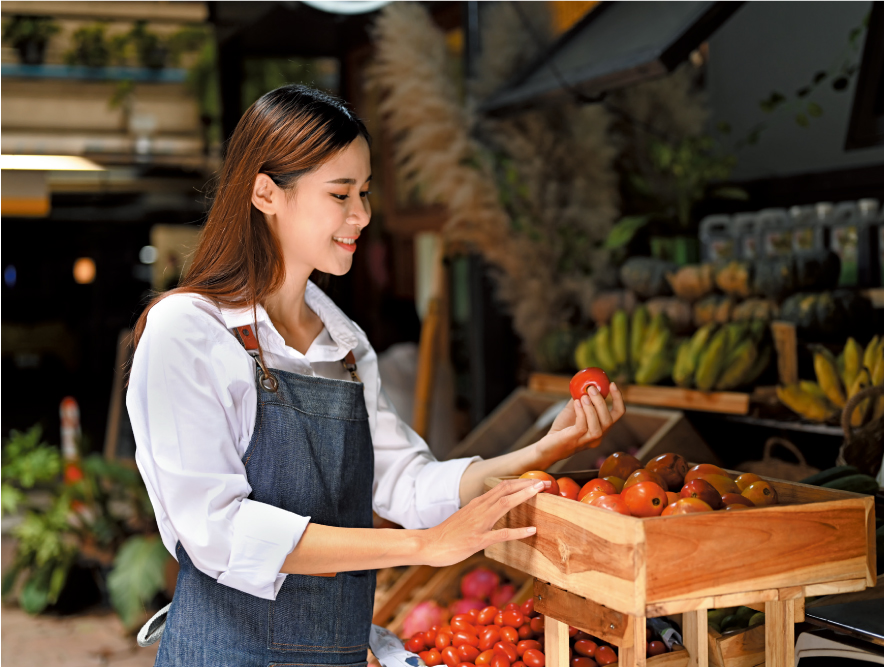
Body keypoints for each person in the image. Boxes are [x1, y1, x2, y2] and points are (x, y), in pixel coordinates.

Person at [126, 84, 625, 667]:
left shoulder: (344, 342)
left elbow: (407, 486)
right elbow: (218, 531)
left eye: (363, 192)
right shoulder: (187, 331)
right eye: (340, 193)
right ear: (266, 193)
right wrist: (421, 547)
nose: (361, 214)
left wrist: (543, 449)